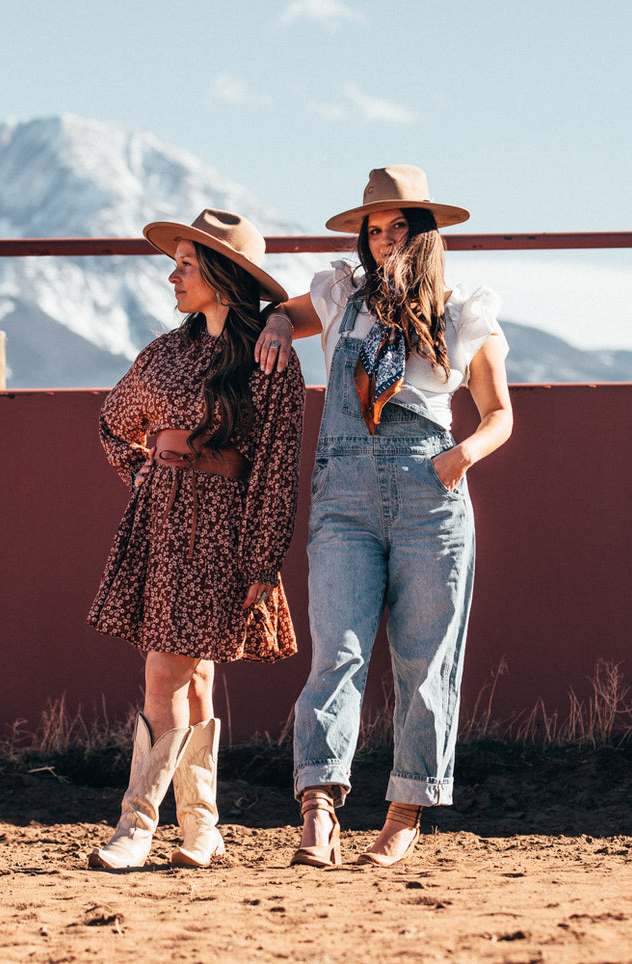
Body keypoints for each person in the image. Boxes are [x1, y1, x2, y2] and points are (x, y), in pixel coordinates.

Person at [254, 166, 513, 867]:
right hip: (343, 499)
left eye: (400, 227)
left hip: (430, 496)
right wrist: (278, 320)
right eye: (375, 229)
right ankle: (317, 809)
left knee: (425, 664)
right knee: (335, 653)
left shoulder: (462, 313)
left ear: (424, 236)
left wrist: (459, 458)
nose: (386, 239)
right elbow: (281, 311)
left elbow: (498, 415)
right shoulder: (340, 296)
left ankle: (404, 812)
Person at [87, 208, 305, 869]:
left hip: (225, 529)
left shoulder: (270, 362)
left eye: (185, 263)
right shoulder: (163, 353)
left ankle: (135, 826)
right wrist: (149, 478)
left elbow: (275, 467)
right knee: (192, 680)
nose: (171, 276)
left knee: (165, 672)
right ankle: (203, 830)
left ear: (222, 274)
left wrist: (262, 558)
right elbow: (111, 424)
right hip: (162, 524)